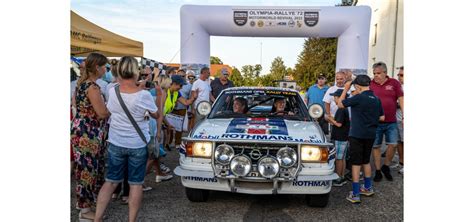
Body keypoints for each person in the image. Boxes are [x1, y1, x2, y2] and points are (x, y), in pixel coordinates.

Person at [94, 56, 160, 222]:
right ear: (135, 71)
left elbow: (119, 101)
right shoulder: (143, 95)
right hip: (137, 144)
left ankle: (97, 218)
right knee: (135, 184)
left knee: (110, 182)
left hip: (116, 141)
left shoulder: (112, 91)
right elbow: (157, 114)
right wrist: (157, 94)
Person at [71, 52, 110, 221]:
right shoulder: (92, 87)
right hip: (89, 133)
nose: (106, 69)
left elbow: (75, 105)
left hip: (81, 130)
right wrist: (112, 109)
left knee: (85, 169)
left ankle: (86, 205)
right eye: (104, 67)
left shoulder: (81, 84)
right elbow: (102, 113)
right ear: (97, 67)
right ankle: (85, 211)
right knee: (88, 171)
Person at [335, 75, 384, 204]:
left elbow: (340, 104)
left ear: (357, 86)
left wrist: (345, 89)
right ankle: (368, 187)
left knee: (356, 164)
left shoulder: (358, 98)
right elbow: (382, 117)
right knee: (366, 161)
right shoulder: (376, 99)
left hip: (357, 135)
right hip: (371, 134)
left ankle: (356, 194)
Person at [370, 62, 404, 182]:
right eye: (374, 73)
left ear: (385, 73)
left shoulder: (394, 83)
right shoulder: (370, 84)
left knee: (393, 144)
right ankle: (378, 170)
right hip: (376, 122)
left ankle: (386, 166)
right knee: (376, 146)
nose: (376, 76)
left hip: (391, 122)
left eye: (378, 73)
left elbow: (401, 98)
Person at [326, 89, 350, 187]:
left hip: (340, 137)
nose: (334, 99)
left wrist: (330, 119)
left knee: (338, 158)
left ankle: (338, 178)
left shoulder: (341, 109)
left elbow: (339, 124)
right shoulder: (344, 108)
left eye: (335, 97)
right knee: (343, 158)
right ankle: (342, 176)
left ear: (340, 98)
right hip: (344, 136)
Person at [171, 70, 194, 149]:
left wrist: (193, 97)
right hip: (170, 110)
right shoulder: (166, 90)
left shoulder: (186, 87)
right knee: (169, 128)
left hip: (181, 108)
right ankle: (168, 142)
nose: (180, 88)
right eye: (180, 76)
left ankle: (177, 143)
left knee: (178, 127)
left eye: (183, 76)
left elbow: (186, 101)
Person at [396, 66, 404, 175]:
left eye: (401, 75)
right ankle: (402, 162)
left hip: (403, 119)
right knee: (398, 142)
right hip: (396, 119)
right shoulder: (398, 86)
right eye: (398, 74)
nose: (399, 77)